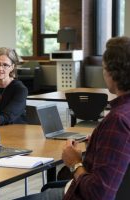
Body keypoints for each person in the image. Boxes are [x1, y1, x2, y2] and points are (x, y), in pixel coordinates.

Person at [17, 36, 130, 200]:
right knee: (48, 188)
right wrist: (99, 141)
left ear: (112, 73)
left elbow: (100, 195)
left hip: (79, 195)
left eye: (104, 68)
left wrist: (74, 163)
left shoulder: (118, 120)